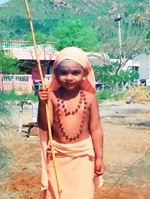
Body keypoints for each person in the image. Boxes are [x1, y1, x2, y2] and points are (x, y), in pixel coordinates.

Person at [37, 47, 104, 199]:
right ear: (56, 74)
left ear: (85, 74)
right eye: (63, 72)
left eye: (75, 72)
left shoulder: (90, 98)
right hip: (57, 157)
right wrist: (42, 103)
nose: (69, 77)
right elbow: (44, 125)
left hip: (83, 158)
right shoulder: (51, 97)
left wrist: (99, 157)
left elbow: (96, 129)